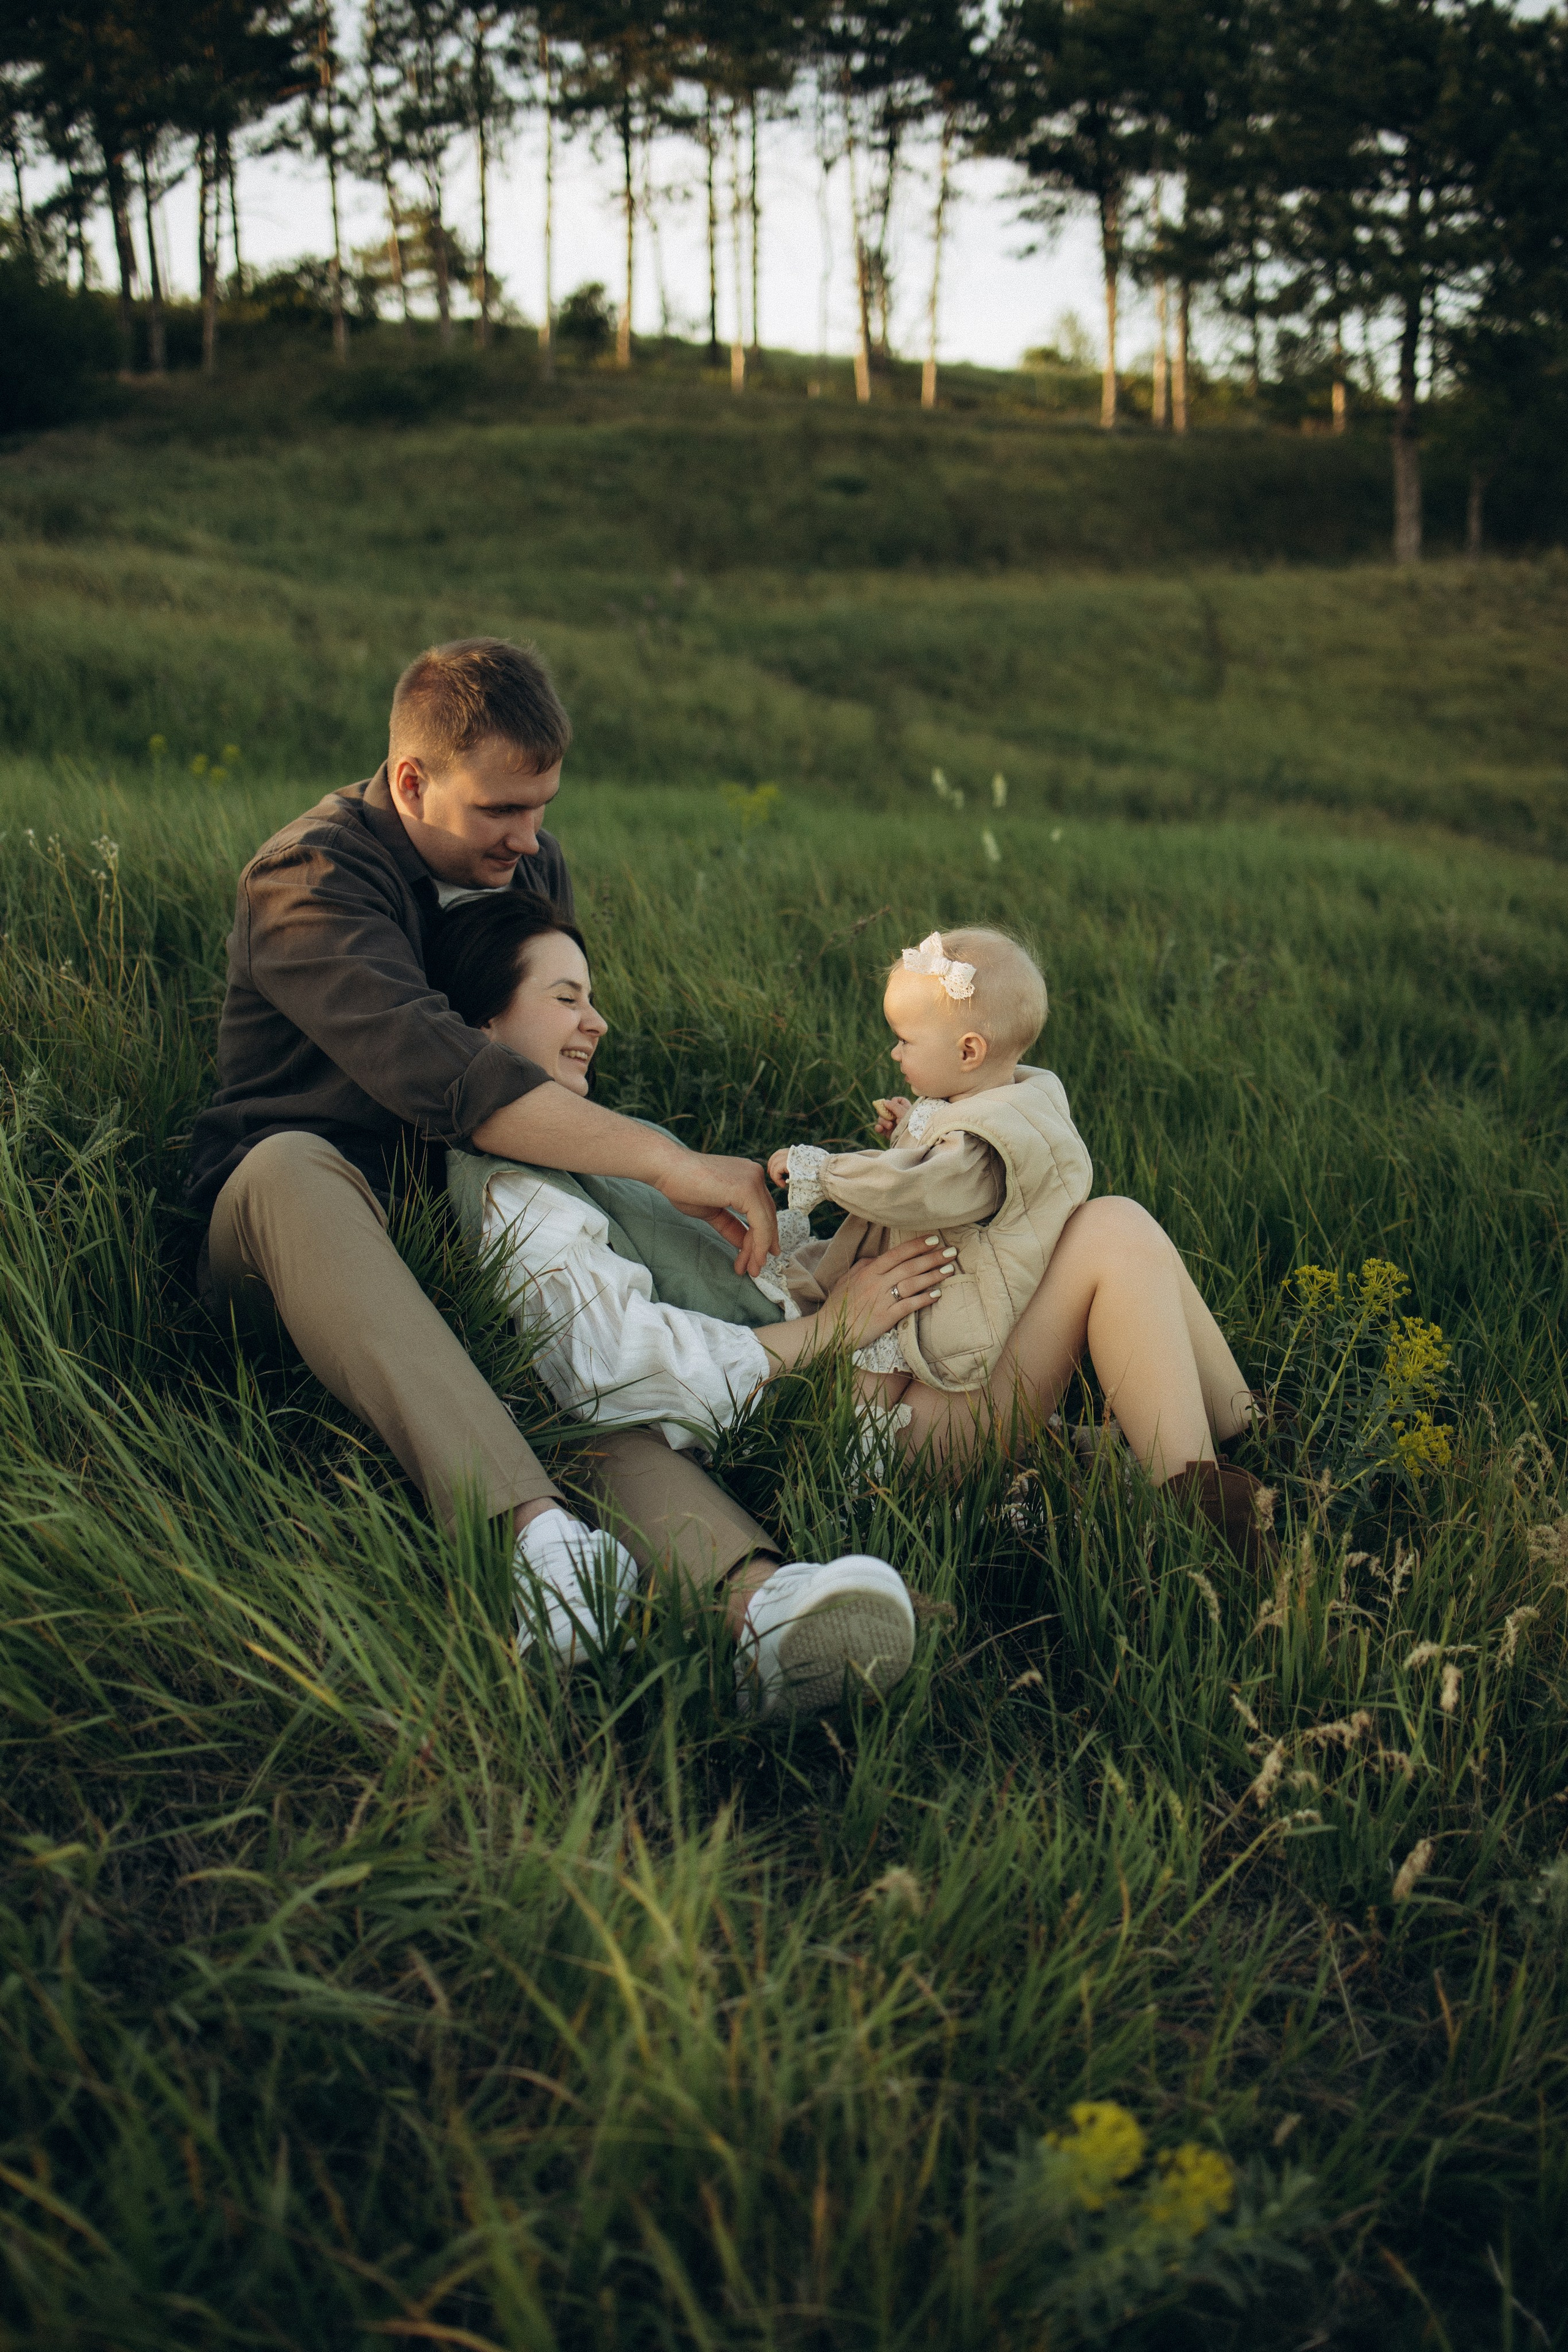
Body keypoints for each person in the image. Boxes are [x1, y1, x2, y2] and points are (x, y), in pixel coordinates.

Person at [183, 636, 919, 1712]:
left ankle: (756, 1610)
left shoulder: (521, 863)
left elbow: (537, 1052)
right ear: (410, 781)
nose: (529, 842)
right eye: (500, 813)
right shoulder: (309, 882)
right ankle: (537, 1547)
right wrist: (669, 1165)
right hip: (290, 1243)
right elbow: (457, 1078)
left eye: (542, 809)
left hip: (461, 1231)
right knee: (298, 1165)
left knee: (580, 1370)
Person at [429, 894, 957, 1717]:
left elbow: (734, 1270)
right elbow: (612, 1364)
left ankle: (1170, 1461)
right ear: (481, 1030)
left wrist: (869, 1207)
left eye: (591, 999)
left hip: (838, 1371)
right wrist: (829, 1329)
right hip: (804, 1407)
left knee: (1076, 1251)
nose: (595, 1022)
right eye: (566, 998)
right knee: (1088, 1258)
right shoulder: (510, 1187)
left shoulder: (604, 1142)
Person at [767, 927, 1273, 1555]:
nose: (894, 1054)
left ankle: (1217, 1484)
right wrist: (914, 1131)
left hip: (922, 1419)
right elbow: (942, 1162)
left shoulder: (976, 1148)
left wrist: (819, 1168)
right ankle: (1224, 1446)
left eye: (904, 1040)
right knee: (1116, 1225)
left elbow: (923, 1188)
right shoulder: (1019, 1098)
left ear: (969, 1050)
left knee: (1117, 1223)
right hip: (901, 1433)